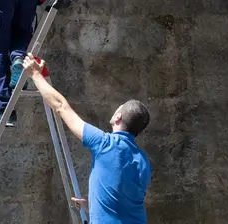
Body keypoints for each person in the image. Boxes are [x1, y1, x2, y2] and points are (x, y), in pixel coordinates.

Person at [22, 54, 152, 224]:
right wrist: (93, 208)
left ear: (118, 117)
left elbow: (62, 107)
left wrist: (35, 75)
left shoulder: (105, 144)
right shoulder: (143, 161)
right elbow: (125, 200)